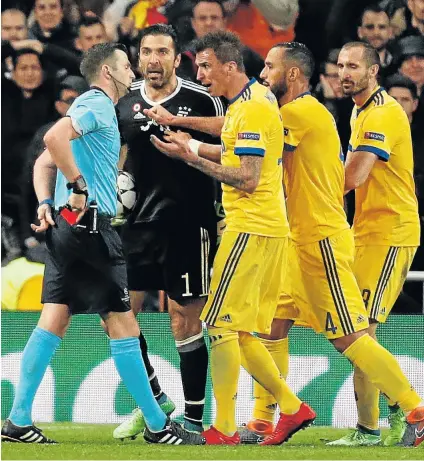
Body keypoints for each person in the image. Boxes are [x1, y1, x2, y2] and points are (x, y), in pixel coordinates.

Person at [0, 42, 204, 446]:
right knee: (122, 322)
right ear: (108, 72)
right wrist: (78, 185)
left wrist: (46, 201)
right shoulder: (95, 103)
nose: (134, 71)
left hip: (66, 226)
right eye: (127, 66)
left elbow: (45, 159)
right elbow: (56, 138)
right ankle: (158, 426)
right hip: (90, 227)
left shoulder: (93, 110)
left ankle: (19, 420)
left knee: (53, 320)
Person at [150, 30, 316, 446]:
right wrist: (182, 128)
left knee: (220, 324)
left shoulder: (256, 108)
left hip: (251, 226)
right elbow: (228, 133)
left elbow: (247, 176)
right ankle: (292, 409)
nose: (200, 75)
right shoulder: (249, 103)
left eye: (206, 66)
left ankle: (224, 427)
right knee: (238, 330)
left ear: (229, 65)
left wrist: (190, 156)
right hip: (263, 229)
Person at [112, 24, 225, 439]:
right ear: (139, 58)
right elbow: (119, 156)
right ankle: (156, 400)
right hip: (134, 226)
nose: (154, 59)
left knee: (184, 320)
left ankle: (194, 420)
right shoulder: (124, 102)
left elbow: (230, 144)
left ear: (177, 59)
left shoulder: (201, 100)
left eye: (162, 52)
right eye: (147, 52)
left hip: (187, 223)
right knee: (118, 318)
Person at [327, 41, 424, 447]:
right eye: (341, 66)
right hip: (365, 231)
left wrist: (305, 184)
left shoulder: (383, 114)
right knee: (359, 331)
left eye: (354, 66)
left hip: (391, 232)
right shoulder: (360, 109)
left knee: (359, 329)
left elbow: (353, 177)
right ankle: (380, 423)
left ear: (373, 71)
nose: (345, 72)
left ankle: (405, 414)